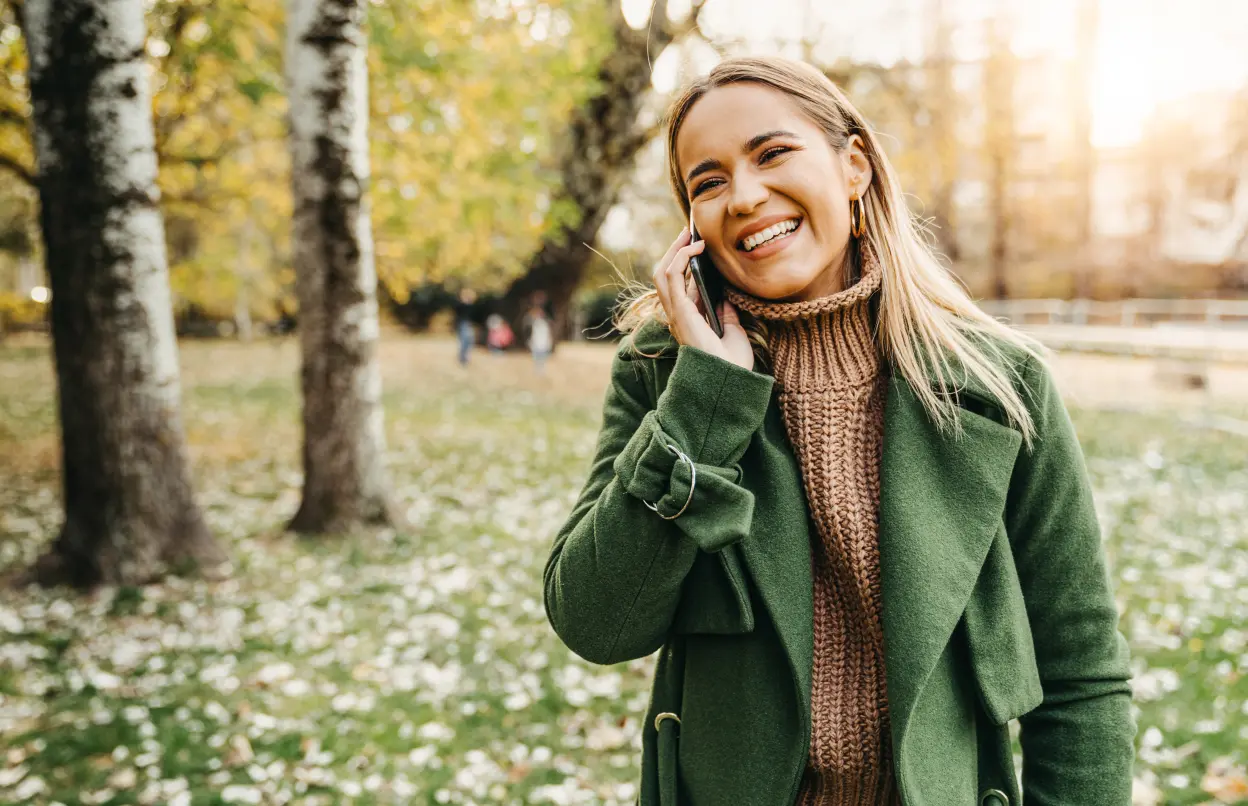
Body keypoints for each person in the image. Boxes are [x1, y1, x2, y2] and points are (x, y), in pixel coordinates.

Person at [543, 57, 1133, 806]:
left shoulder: (1000, 385)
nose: (744, 196)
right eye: (708, 183)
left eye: (772, 153)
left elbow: (1082, 674)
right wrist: (707, 404)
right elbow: (597, 623)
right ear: (691, 226)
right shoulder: (664, 374)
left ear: (854, 166)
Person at [525, 301, 553, 375]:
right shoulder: (533, 323)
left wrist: (549, 342)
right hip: (536, 343)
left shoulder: (544, 324)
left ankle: (541, 370)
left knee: (542, 358)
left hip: (542, 343)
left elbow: (547, 334)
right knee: (537, 358)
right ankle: (538, 370)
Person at [453, 288, 476, 365]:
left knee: (469, 341)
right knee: (464, 341)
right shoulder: (460, 305)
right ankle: (462, 358)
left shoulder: (469, 306)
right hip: (463, 324)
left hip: (468, 324)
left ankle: (465, 357)